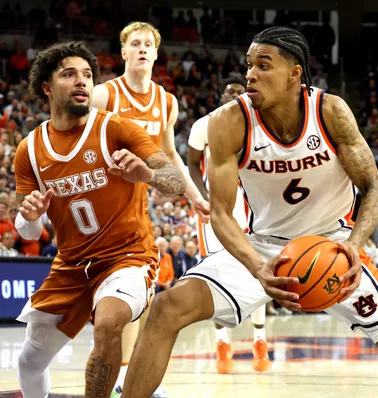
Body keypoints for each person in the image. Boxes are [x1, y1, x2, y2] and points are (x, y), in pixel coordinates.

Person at [122, 27, 378, 398]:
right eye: (249, 65)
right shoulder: (228, 121)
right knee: (165, 308)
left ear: (295, 72)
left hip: (335, 248)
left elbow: (373, 188)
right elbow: (222, 214)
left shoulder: (331, 111)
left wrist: (354, 245)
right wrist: (257, 266)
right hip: (265, 248)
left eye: (263, 65)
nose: (251, 74)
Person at [13, 41, 185, 398]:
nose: (82, 82)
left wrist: (148, 175)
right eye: (69, 74)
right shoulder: (29, 149)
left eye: (88, 75)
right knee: (29, 361)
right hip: (72, 266)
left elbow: (176, 181)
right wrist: (30, 218)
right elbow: (27, 230)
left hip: (128, 257)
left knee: (109, 324)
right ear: (47, 87)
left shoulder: (115, 128)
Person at [90, 22, 209, 396]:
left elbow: (170, 156)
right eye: (135, 43)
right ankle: (115, 373)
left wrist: (196, 197)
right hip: (97, 206)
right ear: (123, 52)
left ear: (156, 55)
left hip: (136, 206)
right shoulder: (103, 95)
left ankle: (126, 374)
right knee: (111, 303)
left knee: (141, 294)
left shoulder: (167, 102)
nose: (142, 49)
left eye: (148, 45)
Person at [187, 77, 271, 374]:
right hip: (215, 212)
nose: (235, 95)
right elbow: (191, 165)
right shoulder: (204, 125)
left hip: (251, 213)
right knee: (217, 276)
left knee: (254, 275)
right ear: (221, 95)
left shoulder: (259, 126)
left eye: (240, 92)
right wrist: (203, 197)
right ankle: (223, 343)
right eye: (230, 92)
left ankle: (260, 339)